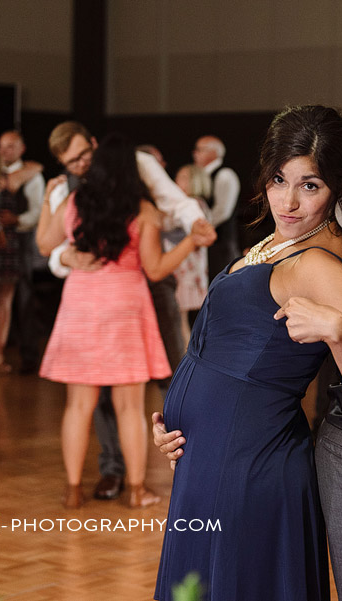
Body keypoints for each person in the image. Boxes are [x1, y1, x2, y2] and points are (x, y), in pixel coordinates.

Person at [153, 105, 342, 601]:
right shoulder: (280, 241)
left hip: (249, 469)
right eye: (279, 179)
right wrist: (179, 427)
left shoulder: (320, 265)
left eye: (310, 186)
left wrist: (340, 332)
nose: (288, 201)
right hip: (210, 459)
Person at [42, 121, 215, 502]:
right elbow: (155, 268)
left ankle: (72, 491)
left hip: (80, 307)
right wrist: (191, 241)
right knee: (129, 407)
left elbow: (44, 243)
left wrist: (47, 206)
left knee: (77, 407)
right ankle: (137, 489)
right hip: (125, 308)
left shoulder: (74, 203)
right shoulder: (142, 211)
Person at [0, 130, 45, 374]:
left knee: (23, 297)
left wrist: (16, 220)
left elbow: (37, 212)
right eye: (2, 146)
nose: (5, 151)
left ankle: (29, 356)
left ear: (21, 148)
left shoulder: (32, 176)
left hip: (22, 240)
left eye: (11, 146)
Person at [172, 163, 212, 342]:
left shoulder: (191, 205)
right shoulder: (202, 204)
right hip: (194, 268)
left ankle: (184, 358)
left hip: (185, 268)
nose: (175, 182)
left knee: (181, 320)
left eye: (180, 178)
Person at [193, 135, 240, 277]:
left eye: (199, 149)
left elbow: (222, 211)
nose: (195, 153)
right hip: (207, 244)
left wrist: (200, 229)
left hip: (221, 245)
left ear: (213, 153)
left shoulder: (224, 174)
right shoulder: (202, 176)